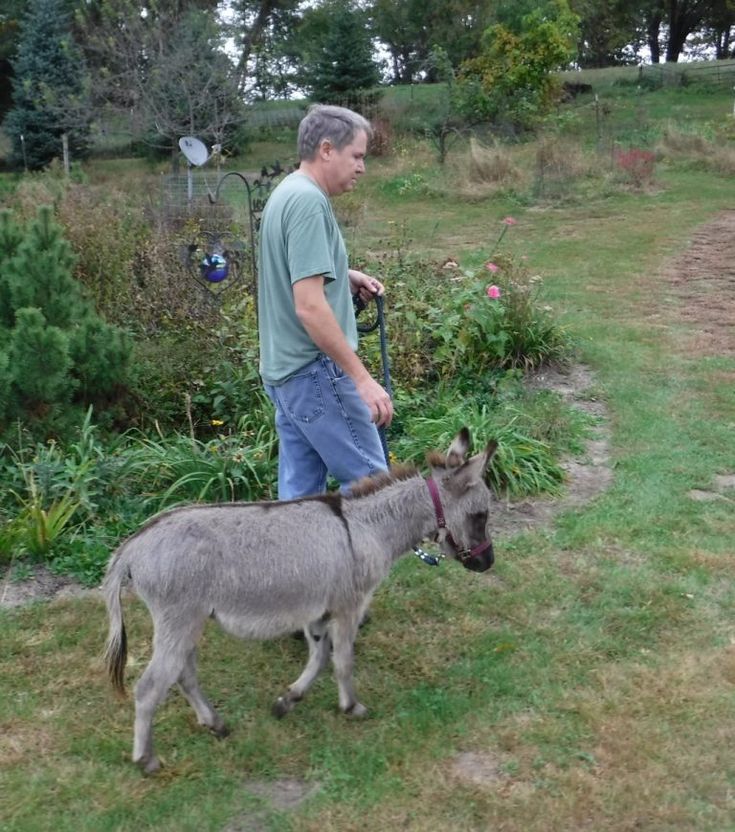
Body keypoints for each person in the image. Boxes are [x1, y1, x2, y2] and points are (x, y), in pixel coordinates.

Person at [258, 104, 394, 501]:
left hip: (286, 375)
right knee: (374, 493)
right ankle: (368, 565)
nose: (362, 168)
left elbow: (295, 277)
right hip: (315, 374)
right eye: (357, 156)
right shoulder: (308, 204)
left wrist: (343, 276)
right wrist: (362, 380)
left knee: (300, 502)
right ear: (327, 149)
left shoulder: (287, 192)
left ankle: (289, 565)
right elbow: (309, 307)